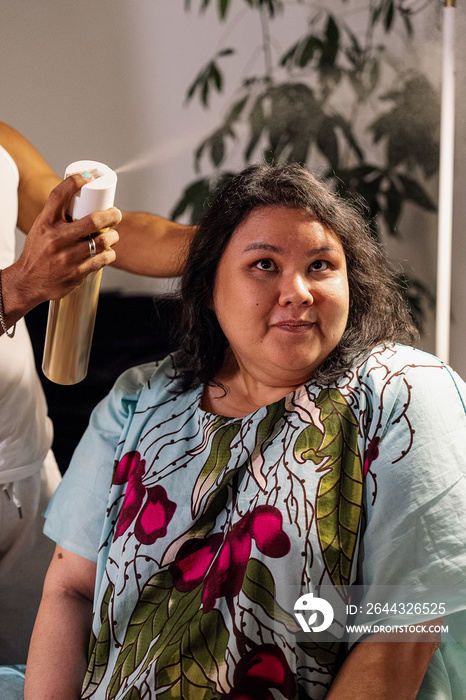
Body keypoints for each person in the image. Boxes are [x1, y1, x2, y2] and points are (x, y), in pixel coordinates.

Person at [23, 163, 466, 699]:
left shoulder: (404, 392)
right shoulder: (140, 400)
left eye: (321, 265)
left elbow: (405, 625)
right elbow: (71, 588)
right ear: (210, 289)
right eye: (264, 264)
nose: (297, 291)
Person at [0, 121, 194, 665]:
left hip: (24, 470)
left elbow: (110, 232)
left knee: (40, 667)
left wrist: (239, 241)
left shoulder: (2, 143)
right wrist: (16, 287)